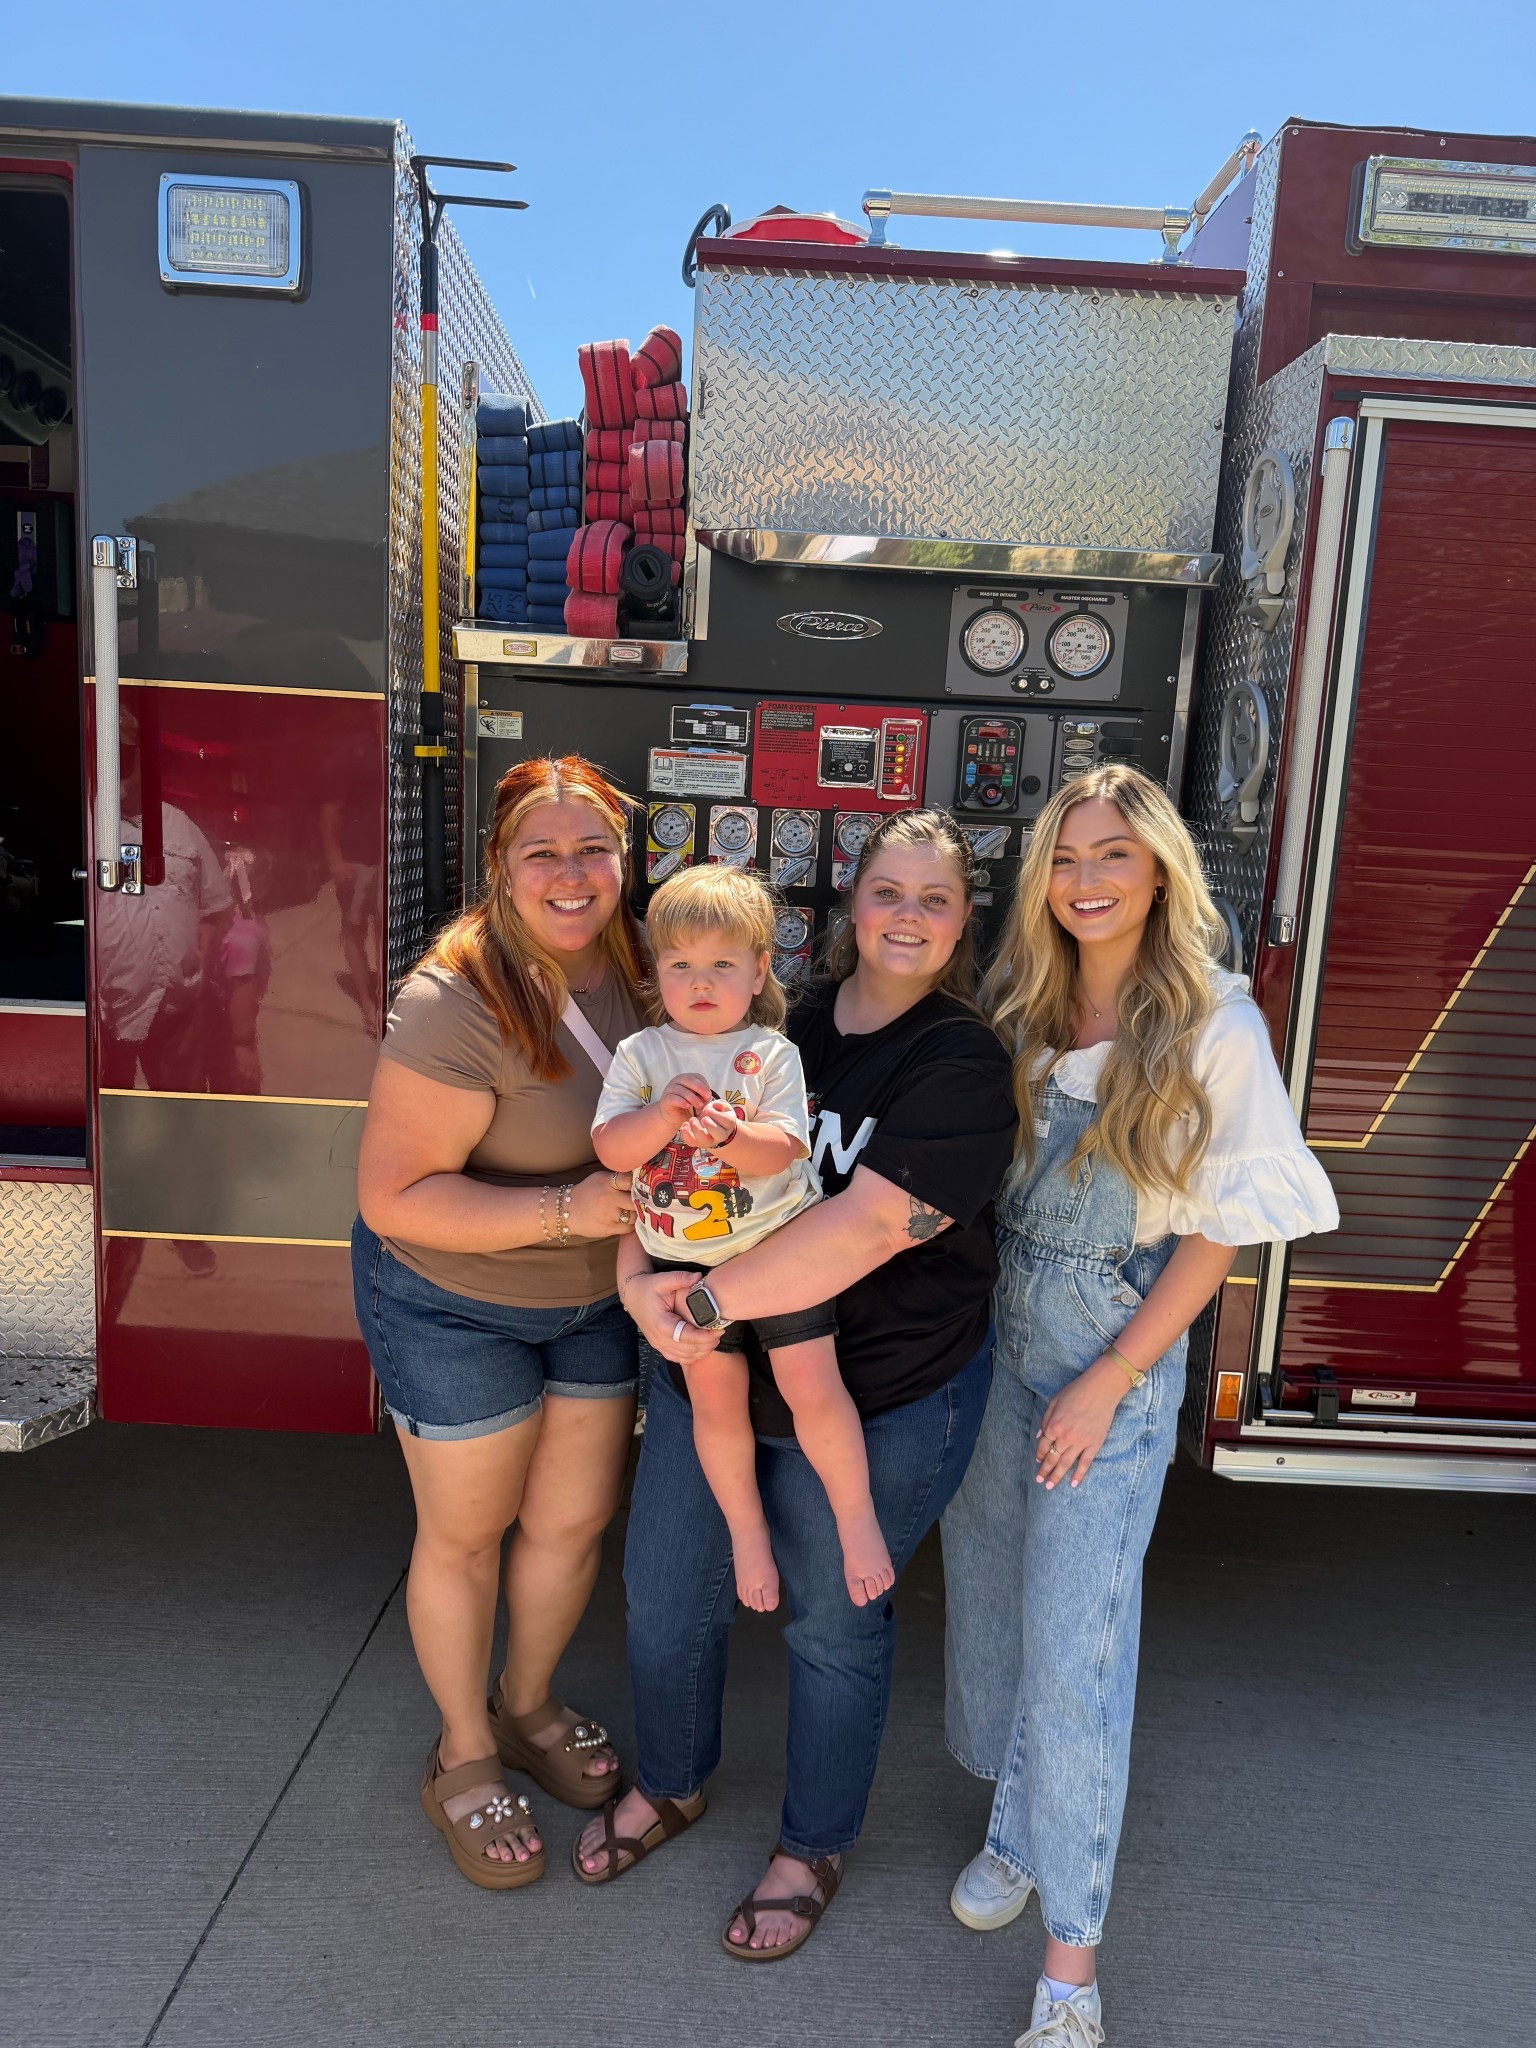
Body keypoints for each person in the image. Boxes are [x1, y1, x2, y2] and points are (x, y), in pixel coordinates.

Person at [576, 810, 1017, 1965]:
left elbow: (869, 1225)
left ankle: (811, 1843)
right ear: (848, 906)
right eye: (887, 890)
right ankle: (669, 1782)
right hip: (710, 1362)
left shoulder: (961, 1057)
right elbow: (651, 1191)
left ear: (966, 919)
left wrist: (707, 1306)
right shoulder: (776, 1025)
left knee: (832, 1621)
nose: (908, 915)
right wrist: (639, 1292)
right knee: (667, 1590)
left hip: (876, 1384)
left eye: (935, 896)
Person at [942, 764, 1339, 2048]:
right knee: (996, 1604)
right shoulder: (1021, 1005)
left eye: (1112, 853)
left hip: (1109, 1350)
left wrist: (1111, 1378)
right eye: (1063, 858)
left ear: (1160, 865)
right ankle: (1014, 1826)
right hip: (998, 1340)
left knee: (1076, 1656)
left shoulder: (1212, 1022)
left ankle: (1071, 1971)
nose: (1087, 880)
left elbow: (1219, 1233)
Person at [352, 756, 644, 1888]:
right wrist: (569, 1205)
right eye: (544, 853)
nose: (571, 875)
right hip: (454, 1298)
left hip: (594, 1298)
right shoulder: (454, 996)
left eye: (594, 850)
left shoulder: (644, 966)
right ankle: (463, 1750)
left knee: (570, 1525)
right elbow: (395, 1196)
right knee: (466, 1534)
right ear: (500, 868)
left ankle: (526, 1704)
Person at [593, 863, 893, 1611]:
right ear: (655, 970)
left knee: (812, 1389)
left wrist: (730, 1134)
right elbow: (609, 1150)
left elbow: (785, 1147)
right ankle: (746, 1529)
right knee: (717, 1404)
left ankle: (855, 1519)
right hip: (684, 1268)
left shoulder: (770, 1054)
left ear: (759, 970)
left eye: (722, 964)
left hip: (777, 1255)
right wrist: (660, 1117)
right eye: (681, 964)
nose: (701, 981)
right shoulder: (641, 1057)